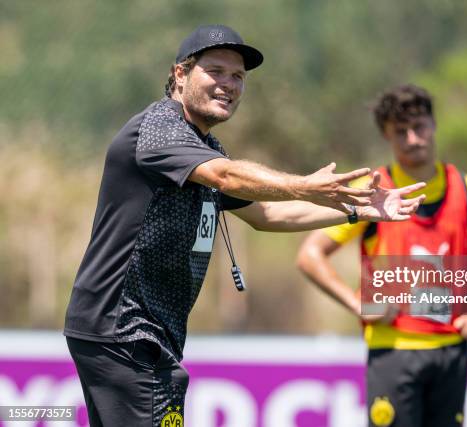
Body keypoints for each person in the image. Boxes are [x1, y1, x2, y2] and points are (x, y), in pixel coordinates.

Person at [63, 25, 425, 426]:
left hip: (134, 332)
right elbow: (226, 178)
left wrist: (357, 210)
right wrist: (303, 184)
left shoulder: (203, 147)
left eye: (237, 77)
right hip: (125, 328)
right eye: (216, 71)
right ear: (180, 74)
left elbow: (267, 215)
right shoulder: (161, 128)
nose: (229, 85)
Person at [297, 84, 467, 427]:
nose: (413, 138)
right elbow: (311, 255)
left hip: (452, 350)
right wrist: (357, 303)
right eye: (401, 132)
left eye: (420, 127)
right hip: (393, 351)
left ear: (434, 125)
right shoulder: (372, 192)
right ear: (387, 137)